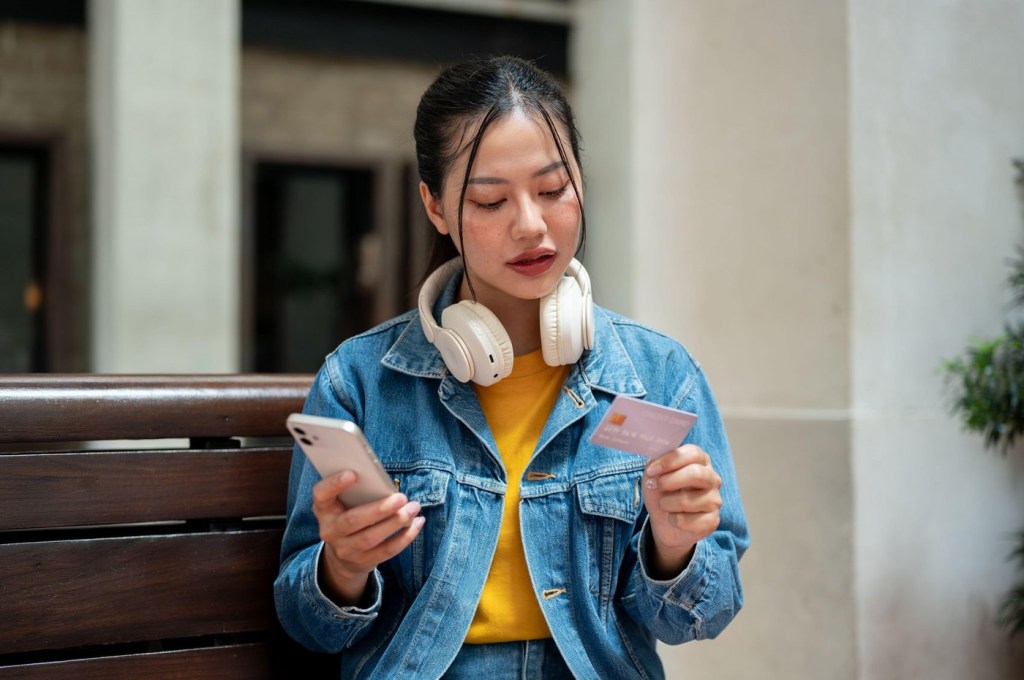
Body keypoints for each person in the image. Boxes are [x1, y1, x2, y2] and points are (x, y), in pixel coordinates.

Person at [274, 55, 749, 679]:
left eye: (553, 190)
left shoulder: (660, 374)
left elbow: (704, 615)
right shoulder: (359, 381)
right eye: (491, 201)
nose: (532, 225)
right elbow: (308, 625)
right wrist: (342, 565)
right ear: (436, 208)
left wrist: (674, 546)